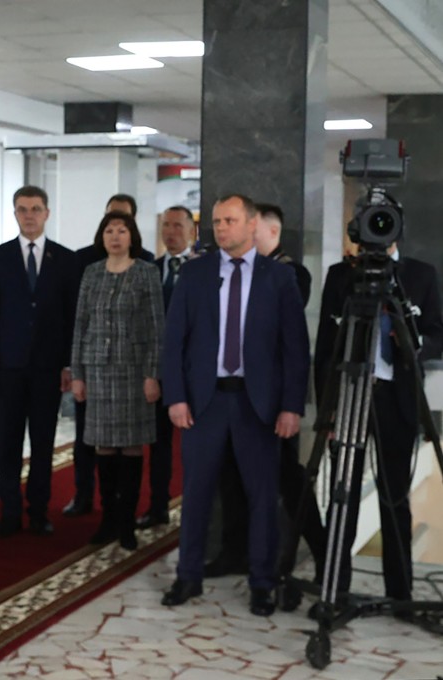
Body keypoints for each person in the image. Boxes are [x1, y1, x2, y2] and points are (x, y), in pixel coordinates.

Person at [160, 194, 308, 617]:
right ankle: (188, 576)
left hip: (257, 405)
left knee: (263, 496)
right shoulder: (195, 273)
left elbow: (294, 349)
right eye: (216, 221)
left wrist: (291, 406)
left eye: (229, 220)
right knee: (197, 494)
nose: (220, 228)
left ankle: (262, 582)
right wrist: (176, 397)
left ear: (252, 224)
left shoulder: (278, 278)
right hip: (204, 403)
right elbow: (175, 342)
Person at [314, 242, 443, 603]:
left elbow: (437, 333)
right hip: (350, 393)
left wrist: (413, 340)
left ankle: (400, 593)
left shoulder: (420, 274)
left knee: (394, 497)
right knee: (344, 496)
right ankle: (334, 587)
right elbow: (326, 345)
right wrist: (328, 408)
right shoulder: (341, 276)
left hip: (395, 396)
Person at [205, 202, 325, 578]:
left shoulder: (291, 274)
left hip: (270, 398)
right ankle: (233, 552)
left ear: (270, 232)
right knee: (230, 476)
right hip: (229, 393)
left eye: (248, 230)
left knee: (287, 480)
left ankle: (322, 553)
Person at [0, 185, 80, 538]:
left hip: (48, 368)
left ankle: (38, 511)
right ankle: (10, 512)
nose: (30, 215)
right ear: (15, 213)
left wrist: (68, 365)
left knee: (42, 442)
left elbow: (71, 318)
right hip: (7, 368)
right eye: (23, 209)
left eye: (36, 209)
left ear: (47, 213)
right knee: (7, 443)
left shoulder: (65, 260)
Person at [71, 211, 164, 549]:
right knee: (104, 447)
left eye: (121, 230)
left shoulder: (146, 273)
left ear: (132, 236)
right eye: (109, 230)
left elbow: (157, 328)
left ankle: (127, 522)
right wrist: (78, 374)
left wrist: (153, 374)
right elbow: (80, 325)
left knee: (131, 448)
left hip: (134, 373)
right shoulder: (92, 273)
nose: (115, 236)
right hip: (97, 372)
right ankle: (108, 518)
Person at [137, 205, 196, 530]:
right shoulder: (149, 268)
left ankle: (194, 511)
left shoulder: (203, 269)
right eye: (166, 226)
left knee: (194, 447)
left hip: (194, 374)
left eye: (177, 225)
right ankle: (158, 506)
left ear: (191, 231)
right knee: (158, 447)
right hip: (157, 372)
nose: (171, 232)